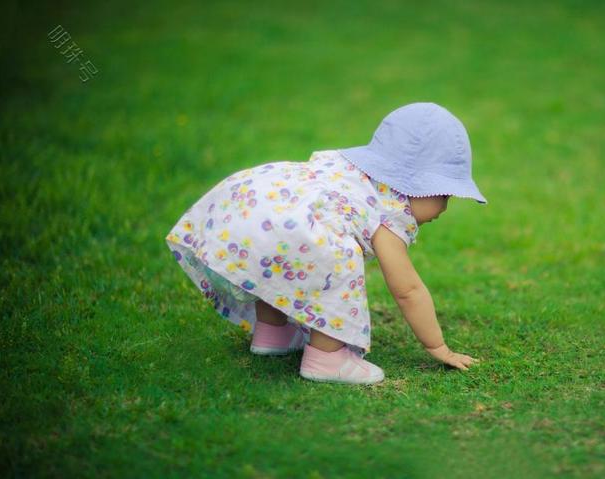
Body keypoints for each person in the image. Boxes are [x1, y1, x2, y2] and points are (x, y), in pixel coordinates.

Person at [164, 102, 487, 384]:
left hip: (260, 203)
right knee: (332, 263)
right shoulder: (389, 213)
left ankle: (273, 333)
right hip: (300, 227)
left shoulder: (350, 172)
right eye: (444, 194)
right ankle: (327, 358)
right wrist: (438, 347)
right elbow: (408, 290)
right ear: (413, 186)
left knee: (283, 256)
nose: (444, 207)